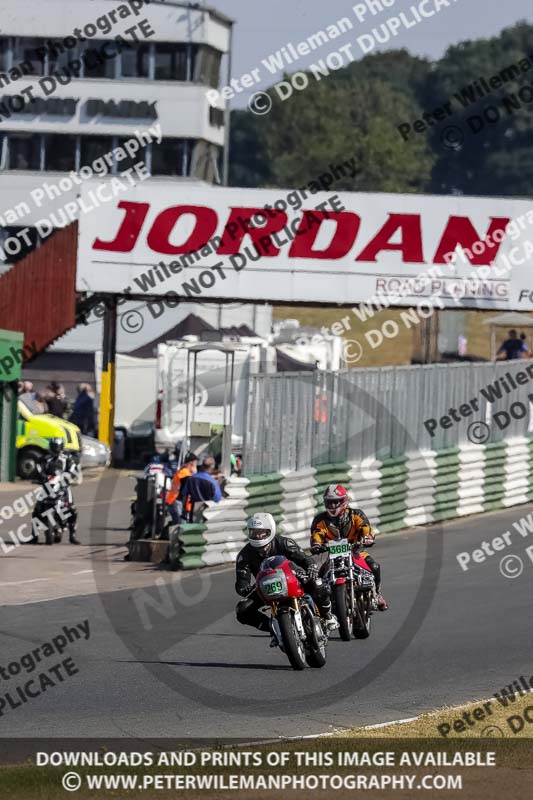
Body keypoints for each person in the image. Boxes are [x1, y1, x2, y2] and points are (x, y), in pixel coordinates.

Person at [235, 512, 338, 644]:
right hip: (266, 586)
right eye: (254, 532)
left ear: (270, 531)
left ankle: (328, 615)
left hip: (293, 579)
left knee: (318, 584)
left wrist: (311, 567)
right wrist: (244, 588)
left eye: (261, 532)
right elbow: (241, 582)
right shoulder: (244, 555)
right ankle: (273, 629)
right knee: (242, 609)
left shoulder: (285, 543)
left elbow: (305, 559)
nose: (258, 536)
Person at [310, 484, 388, 611]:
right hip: (332, 557)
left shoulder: (356, 514)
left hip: (356, 552)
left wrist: (367, 537)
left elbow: (365, 527)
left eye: (336, 502)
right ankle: (322, 610)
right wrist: (316, 545)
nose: (333, 506)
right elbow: (317, 534)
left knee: (374, 567)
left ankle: (377, 594)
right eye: (329, 502)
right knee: (318, 580)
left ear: (344, 501)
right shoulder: (320, 519)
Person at [31, 437, 80, 544]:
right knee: (36, 510)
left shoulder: (67, 459)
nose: (56, 449)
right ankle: (34, 536)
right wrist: (40, 477)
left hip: (63, 486)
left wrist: (69, 477)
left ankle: (73, 535)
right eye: (54, 447)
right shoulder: (44, 459)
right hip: (48, 487)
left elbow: (72, 469)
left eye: (58, 447)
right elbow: (39, 469)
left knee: (72, 509)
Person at [165, 451, 198, 524]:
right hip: (176, 501)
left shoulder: (184, 471)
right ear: (191, 463)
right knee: (180, 526)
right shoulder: (184, 473)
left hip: (175, 501)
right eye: (196, 463)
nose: (196, 465)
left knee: (179, 524)